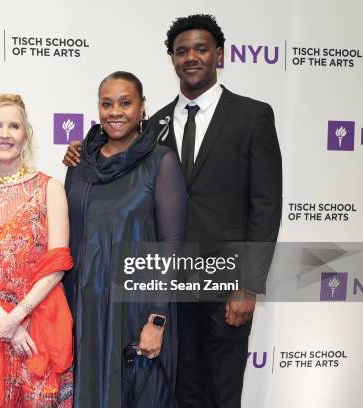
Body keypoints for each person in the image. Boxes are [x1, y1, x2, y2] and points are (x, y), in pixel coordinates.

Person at [63, 15, 282, 408]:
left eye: (200, 49)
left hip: (224, 280)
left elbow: (266, 204)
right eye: (182, 51)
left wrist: (248, 283)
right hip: (168, 287)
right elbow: (119, 159)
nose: (191, 57)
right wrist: (83, 149)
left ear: (219, 54)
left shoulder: (253, 116)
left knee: (222, 387)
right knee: (177, 389)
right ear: (172, 59)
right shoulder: (155, 125)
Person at [64, 71, 187, 407]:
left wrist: (157, 320)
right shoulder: (79, 163)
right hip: (84, 307)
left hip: (135, 308)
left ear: (142, 108)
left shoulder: (160, 162)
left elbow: (172, 245)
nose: (115, 111)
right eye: (106, 104)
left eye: (125, 102)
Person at [0, 94, 74, 407]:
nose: (5, 133)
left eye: (14, 125)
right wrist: (6, 321)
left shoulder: (50, 188)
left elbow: (58, 262)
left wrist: (18, 317)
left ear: (26, 135)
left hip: (41, 323)